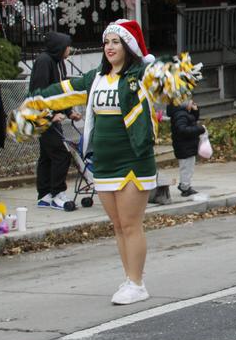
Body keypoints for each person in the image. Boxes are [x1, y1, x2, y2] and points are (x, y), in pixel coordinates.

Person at [21, 20, 163, 305]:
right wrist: (33, 103)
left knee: (131, 223)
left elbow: (165, 80)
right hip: (104, 162)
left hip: (133, 159)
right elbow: (63, 90)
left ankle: (137, 282)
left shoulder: (142, 75)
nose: (109, 47)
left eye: (116, 42)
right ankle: (130, 278)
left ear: (128, 46)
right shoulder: (96, 78)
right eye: (107, 42)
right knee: (118, 225)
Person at [29, 31, 82, 209]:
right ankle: (58, 192)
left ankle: (44, 194)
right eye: (67, 46)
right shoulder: (44, 61)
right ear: (60, 47)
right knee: (61, 153)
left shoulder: (59, 62)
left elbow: (61, 90)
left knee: (47, 155)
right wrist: (50, 115)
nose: (70, 49)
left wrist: (68, 111)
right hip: (44, 117)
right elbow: (39, 90)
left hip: (53, 116)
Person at [164, 99, 205, 201]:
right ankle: (185, 188)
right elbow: (183, 130)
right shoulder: (180, 115)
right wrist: (200, 129)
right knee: (186, 167)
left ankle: (185, 185)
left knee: (189, 167)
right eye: (191, 102)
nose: (193, 103)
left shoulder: (184, 113)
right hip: (184, 146)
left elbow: (193, 120)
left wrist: (195, 110)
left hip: (187, 145)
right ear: (185, 104)